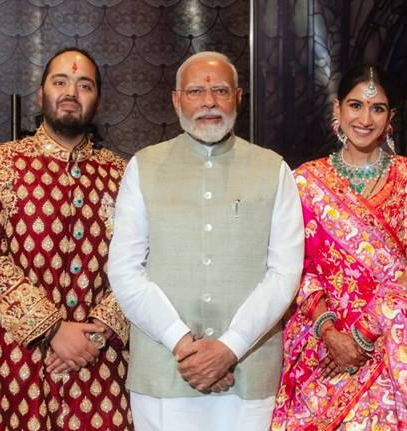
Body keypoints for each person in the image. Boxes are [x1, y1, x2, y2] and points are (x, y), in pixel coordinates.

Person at [108, 51, 304, 431]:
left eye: (220, 90)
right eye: (196, 91)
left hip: (248, 370)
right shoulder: (143, 166)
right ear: (176, 99)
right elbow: (125, 269)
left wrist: (229, 348)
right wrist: (183, 344)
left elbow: (284, 272)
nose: (209, 101)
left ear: (239, 97)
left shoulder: (273, 168)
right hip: (165, 370)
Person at [270, 65, 407, 430]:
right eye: (355, 105)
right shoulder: (305, 181)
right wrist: (330, 332)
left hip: (391, 336)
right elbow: (298, 268)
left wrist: (362, 333)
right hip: (319, 341)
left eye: (377, 108)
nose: (365, 118)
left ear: (390, 118)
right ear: (337, 110)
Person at [0, 47, 132, 430]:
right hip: (10, 358)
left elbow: (144, 260)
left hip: (97, 358)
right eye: (60, 82)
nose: (71, 91)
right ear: (41, 94)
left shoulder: (124, 175)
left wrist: (97, 331)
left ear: (97, 99)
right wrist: (52, 329)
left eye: (84, 85)